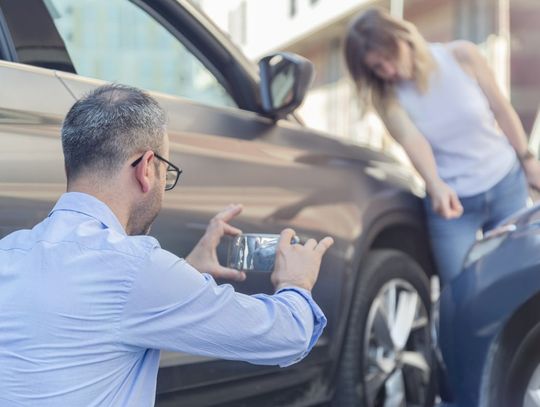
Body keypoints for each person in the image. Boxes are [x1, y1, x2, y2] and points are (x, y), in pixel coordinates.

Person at [0, 84, 334, 406]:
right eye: (166, 172)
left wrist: (185, 272)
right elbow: (285, 336)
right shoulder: (136, 268)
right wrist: (296, 283)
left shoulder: (8, 254)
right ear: (146, 168)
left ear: (68, 166)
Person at [343, 8, 540, 285]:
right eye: (377, 67)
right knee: (458, 293)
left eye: (389, 57)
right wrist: (435, 184)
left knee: (519, 281)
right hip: (453, 205)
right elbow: (413, 141)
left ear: (403, 37)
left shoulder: (462, 56)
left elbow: (501, 109)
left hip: (505, 185)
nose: (388, 70)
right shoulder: (387, 97)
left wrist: (528, 161)